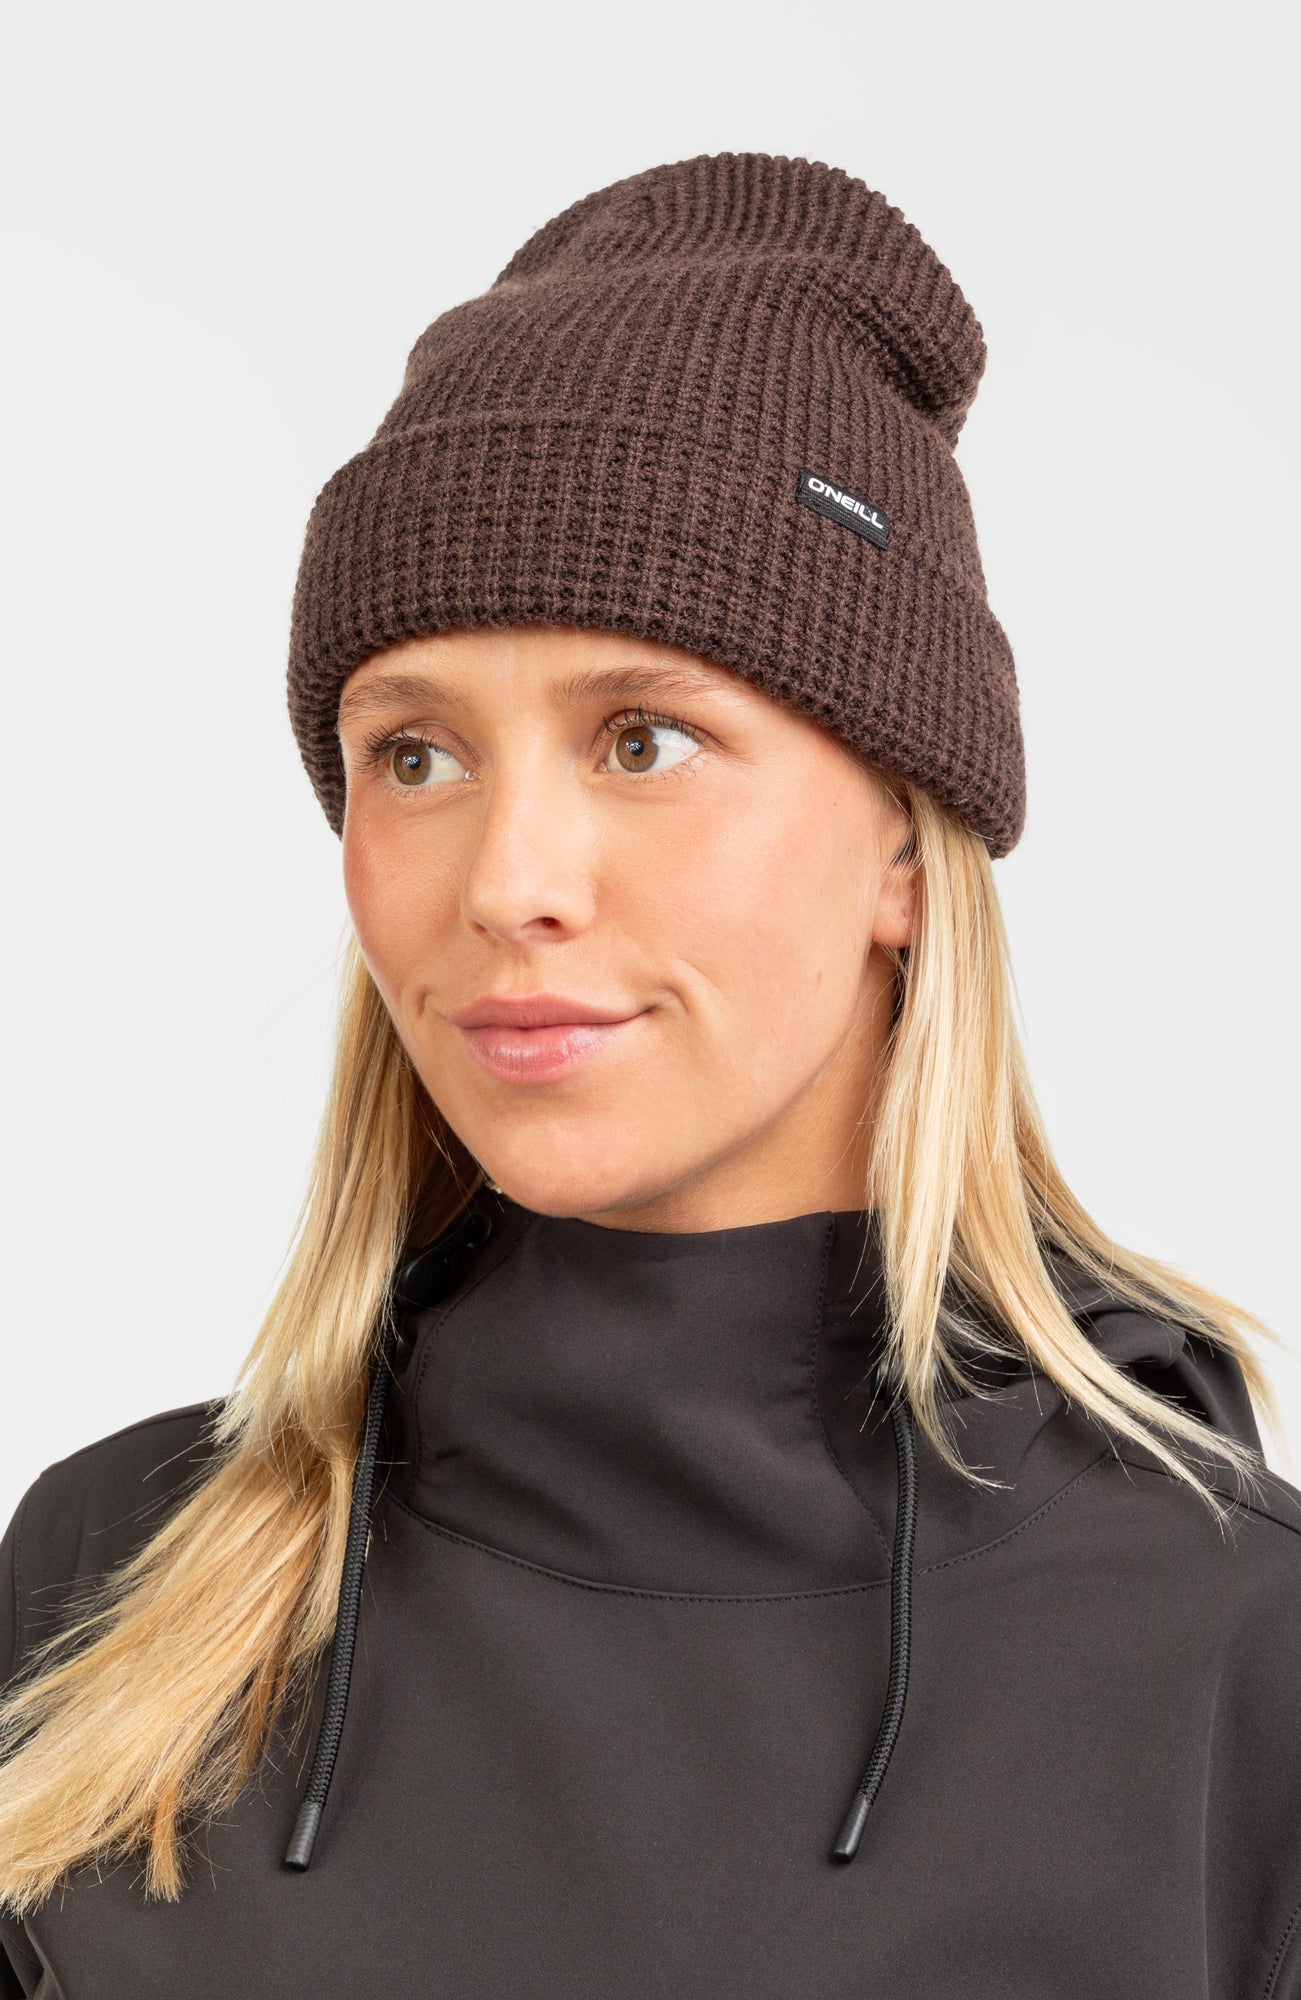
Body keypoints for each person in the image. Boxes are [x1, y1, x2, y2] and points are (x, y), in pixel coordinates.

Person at [1, 149, 1298, 1997]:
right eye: (415, 756)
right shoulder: (111, 1578)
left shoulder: (1234, 1668)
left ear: (905, 845)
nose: (508, 883)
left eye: (641, 740)